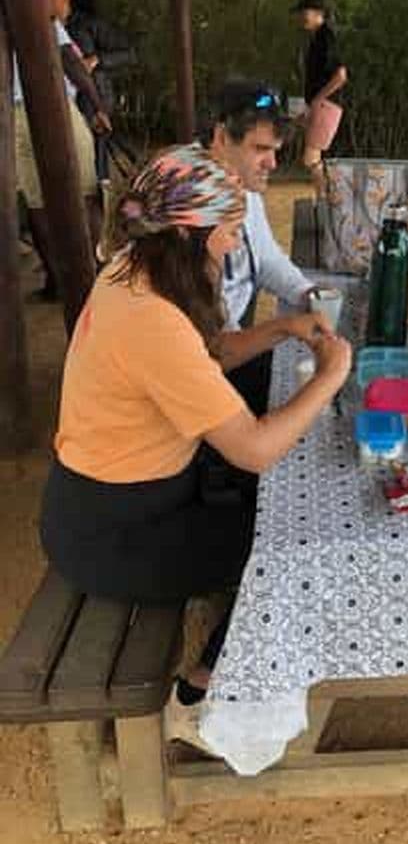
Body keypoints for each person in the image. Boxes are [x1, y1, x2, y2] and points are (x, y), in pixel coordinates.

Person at [40, 148, 351, 747]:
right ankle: (199, 695)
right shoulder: (149, 318)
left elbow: (206, 355)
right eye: (230, 232)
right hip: (117, 534)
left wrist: (282, 328)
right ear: (190, 235)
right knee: (290, 550)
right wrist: (330, 377)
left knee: (272, 488)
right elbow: (254, 450)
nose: (234, 246)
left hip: (103, 504)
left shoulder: (133, 269)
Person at [198, 79, 317, 415]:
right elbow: (212, 347)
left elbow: (266, 258)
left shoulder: (242, 189)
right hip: (209, 366)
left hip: (230, 346)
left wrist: (306, 292)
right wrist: (285, 327)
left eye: (275, 150)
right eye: (261, 149)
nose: (273, 164)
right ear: (222, 137)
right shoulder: (192, 209)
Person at [14, 0, 112, 298]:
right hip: (55, 108)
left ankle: (57, 281)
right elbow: (70, 61)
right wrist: (98, 106)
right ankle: (100, 273)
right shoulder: (33, 8)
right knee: (85, 191)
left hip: (14, 114)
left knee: (37, 203)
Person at [50, 0, 135, 181]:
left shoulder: (89, 25)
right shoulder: (44, 26)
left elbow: (129, 53)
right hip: (60, 99)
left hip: (93, 98)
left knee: (95, 158)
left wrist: (97, 60)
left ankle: (102, 192)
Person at [292, 0, 347, 189]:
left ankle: (329, 197)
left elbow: (341, 75)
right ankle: (327, 197)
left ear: (319, 13)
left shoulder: (326, 37)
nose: (301, 17)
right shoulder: (318, 39)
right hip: (322, 104)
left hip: (326, 104)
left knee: (311, 159)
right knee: (313, 159)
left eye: (305, 12)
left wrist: (317, 100)